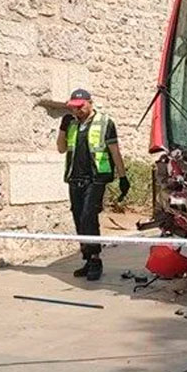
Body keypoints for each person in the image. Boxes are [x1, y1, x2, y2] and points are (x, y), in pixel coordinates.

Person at [57, 89, 128, 281]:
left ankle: (96, 258)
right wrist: (62, 129)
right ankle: (87, 258)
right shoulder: (71, 124)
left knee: (89, 216)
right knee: (79, 218)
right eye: (73, 108)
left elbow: (114, 151)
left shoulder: (105, 123)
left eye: (80, 107)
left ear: (90, 103)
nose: (77, 111)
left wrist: (123, 177)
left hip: (96, 178)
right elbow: (61, 149)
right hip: (75, 178)